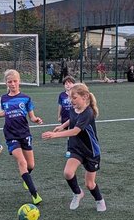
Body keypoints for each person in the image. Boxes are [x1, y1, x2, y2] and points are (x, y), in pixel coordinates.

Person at [41, 82, 106, 212]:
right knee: (68, 173)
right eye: (70, 98)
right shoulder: (73, 108)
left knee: (90, 184)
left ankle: (99, 200)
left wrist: (54, 135)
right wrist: (62, 126)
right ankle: (77, 193)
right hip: (76, 148)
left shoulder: (88, 113)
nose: (71, 101)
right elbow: (72, 118)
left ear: (85, 96)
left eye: (74, 97)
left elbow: (75, 131)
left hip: (90, 151)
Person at [0, 68, 44, 203]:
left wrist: (36, 120)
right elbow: (4, 112)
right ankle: (35, 194)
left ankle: (26, 178)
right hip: (11, 134)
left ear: (19, 82)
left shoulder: (26, 98)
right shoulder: (4, 99)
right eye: (9, 82)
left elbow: (32, 116)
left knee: (31, 165)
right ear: (6, 83)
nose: (12, 84)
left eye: (15, 81)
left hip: (24, 133)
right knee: (22, 162)